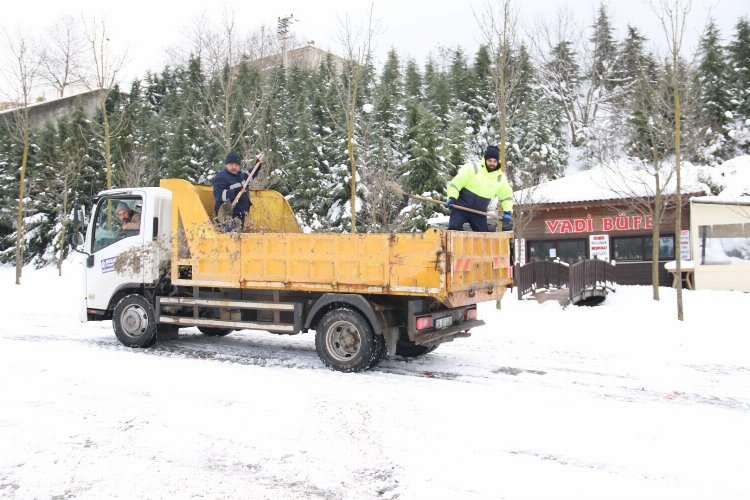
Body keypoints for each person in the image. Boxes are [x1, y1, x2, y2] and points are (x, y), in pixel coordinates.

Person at [446, 145, 514, 232]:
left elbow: (506, 196)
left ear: (497, 162)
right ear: (485, 160)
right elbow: (455, 184)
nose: (492, 163)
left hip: (479, 212)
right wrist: (452, 197)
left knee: (483, 236)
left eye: (494, 161)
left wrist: (507, 211)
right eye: (489, 160)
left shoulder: (500, 177)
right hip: (461, 208)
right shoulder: (473, 168)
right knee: (454, 230)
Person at [212, 151, 255, 231]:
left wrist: (257, 165)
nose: (234, 167)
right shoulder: (221, 177)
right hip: (227, 217)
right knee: (230, 241)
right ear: (226, 165)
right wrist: (235, 191)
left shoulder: (240, 177)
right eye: (231, 164)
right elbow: (218, 195)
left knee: (237, 239)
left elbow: (250, 174)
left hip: (239, 216)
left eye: (236, 165)